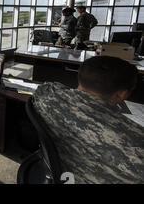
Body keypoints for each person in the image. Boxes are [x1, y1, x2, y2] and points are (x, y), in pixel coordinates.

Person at [32, 56, 143, 184]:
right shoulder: (137, 141)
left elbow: (48, 86)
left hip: (55, 173)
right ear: (122, 94)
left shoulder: (47, 95)